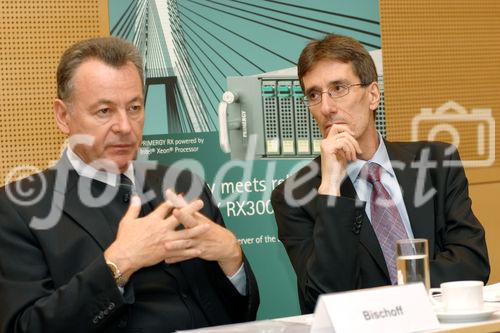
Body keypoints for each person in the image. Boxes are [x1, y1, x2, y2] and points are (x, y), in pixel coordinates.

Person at [0, 37, 259, 332]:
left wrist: (232, 258)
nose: (125, 127)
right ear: (63, 116)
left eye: (134, 107)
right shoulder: (18, 208)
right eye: (104, 111)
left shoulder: (185, 183)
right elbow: (25, 327)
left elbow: (241, 316)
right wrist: (118, 264)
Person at [271, 33, 489, 314]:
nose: (326, 107)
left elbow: (472, 263)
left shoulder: (437, 162)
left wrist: (392, 294)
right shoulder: (294, 196)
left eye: (338, 88)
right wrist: (331, 188)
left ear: (373, 95)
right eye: (314, 95)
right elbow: (324, 297)